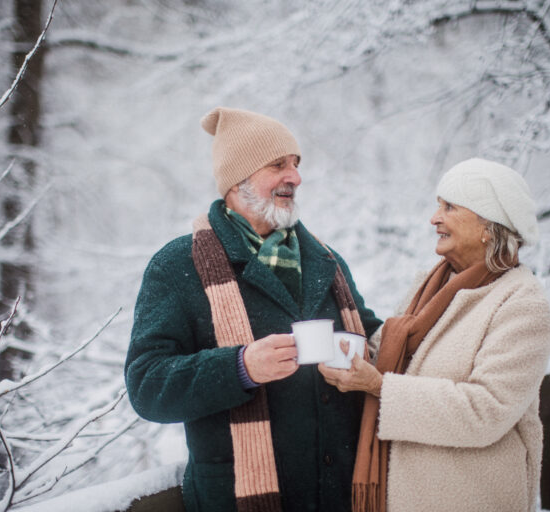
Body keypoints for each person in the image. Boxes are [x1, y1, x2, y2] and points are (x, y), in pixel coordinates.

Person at [125, 106, 382, 511]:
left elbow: (372, 338)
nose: (295, 177)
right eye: (278, 165)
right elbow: (147, 387)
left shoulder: (326, 261)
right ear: (238, 179)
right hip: (237, 500)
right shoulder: (178, 266)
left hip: (339, 496)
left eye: (296, 164)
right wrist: (240, 367)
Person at [319, 158, 550, 512]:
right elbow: (388, 349)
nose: (434, 218)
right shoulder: (429, 287)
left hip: (470, 498)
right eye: (437, 205)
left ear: (488, 227)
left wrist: (379, 387)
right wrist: (346, 348)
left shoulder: (523, 306)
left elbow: (485, 412)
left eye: (449, 207)